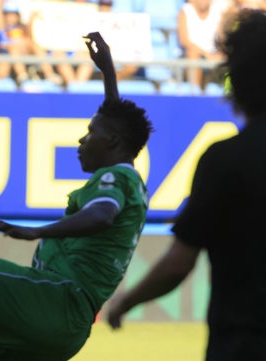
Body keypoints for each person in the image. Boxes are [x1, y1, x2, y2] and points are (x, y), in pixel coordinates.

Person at [0, 32, 153, 361]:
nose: (82, 141)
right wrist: (108, 72)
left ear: (111, 141)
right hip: (66, 327)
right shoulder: (132, 180)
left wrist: (39, 231)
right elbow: (116, 124)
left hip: (55, 299)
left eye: (90, 134)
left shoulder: (114, 178)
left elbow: (102, 215)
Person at [107, 10, 266, 361]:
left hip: (242, 344)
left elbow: (180, 263)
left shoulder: (225, 159)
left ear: (234, 78)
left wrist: (125, 301)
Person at [176, 0, 225, 90]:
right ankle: (194, 93)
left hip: (213, 53)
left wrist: (219, 53)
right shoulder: (185, 12)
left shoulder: (218, 12)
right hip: (191, 53)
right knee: (193, 54)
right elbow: (184, 40)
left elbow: (222, 39)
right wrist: (206, 54)